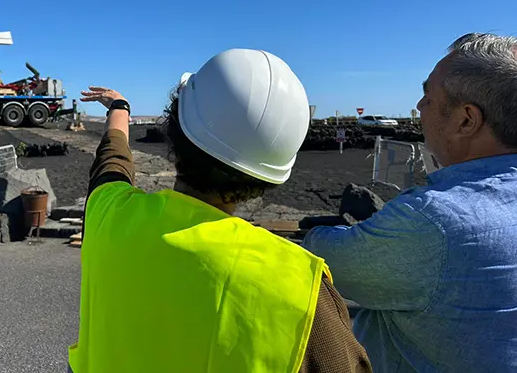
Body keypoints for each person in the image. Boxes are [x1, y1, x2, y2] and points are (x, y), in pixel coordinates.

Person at [68, 48, 371, 373]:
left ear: (175, 128)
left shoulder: (108, 214)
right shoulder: (303, 292)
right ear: (268, 177)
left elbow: (113, 158)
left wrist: (119, 106)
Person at [302, 32, 517, 372]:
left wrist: (324, 233)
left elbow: (327, 261)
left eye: (427, 96)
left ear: (466, 120)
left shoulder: (435, 220)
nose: (418, 107)